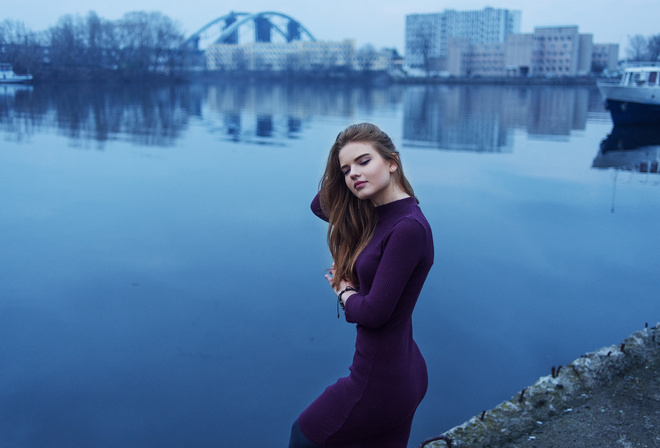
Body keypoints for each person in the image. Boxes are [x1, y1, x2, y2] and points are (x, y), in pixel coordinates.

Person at [289, 123, 434, 448]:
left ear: (392, 161)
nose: (354, 173)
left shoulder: (407, 228)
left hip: (379, 382)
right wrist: (344, 156)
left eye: (364, 161)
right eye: (346, 169)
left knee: (304, 435)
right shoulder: (374, 214)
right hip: (399, 370)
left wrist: (344, 291)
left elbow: (373, 313)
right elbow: (319, 206)